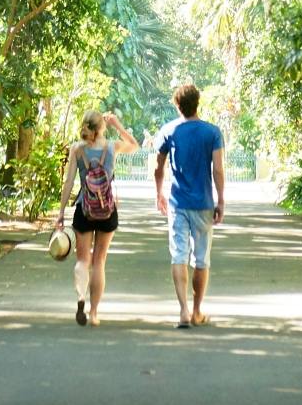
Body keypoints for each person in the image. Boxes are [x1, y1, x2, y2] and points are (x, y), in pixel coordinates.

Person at [153, 82, 224, 330]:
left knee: (179, 255)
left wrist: (158, 193)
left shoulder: (169, 131)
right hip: (203, 203)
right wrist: (221, 200)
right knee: (201, 258)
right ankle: (196, 311)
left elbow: (158, 167)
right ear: (197, 104)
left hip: (178, 203)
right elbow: (218, 169)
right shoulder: (212, 132)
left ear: (177, 105)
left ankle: (183, 310)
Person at [57, 111, 137, 326]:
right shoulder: (112, 147)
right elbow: (134, 145)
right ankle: (93, 313)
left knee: (83, 261)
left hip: (84, 209)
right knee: (99, 261)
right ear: (102, 127)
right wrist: (118, 125)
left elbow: (68, 183)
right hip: (107, 211)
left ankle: (81, 296)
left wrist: (61, 212)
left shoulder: (77, 149)